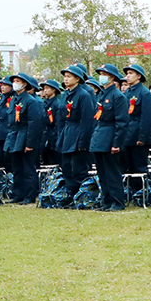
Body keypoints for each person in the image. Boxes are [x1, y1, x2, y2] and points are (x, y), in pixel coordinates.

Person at [90, 64, 130, 210]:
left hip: (110, 136)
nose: (101, 76)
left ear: (112, 77)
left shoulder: (117, 96)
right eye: (100, 73)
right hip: (100, 137)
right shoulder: (102, 94)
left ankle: (117, 202)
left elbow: (122, 122)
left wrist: (116, 143)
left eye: (104, 73)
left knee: (112, 172)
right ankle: (106, 201)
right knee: (102, 172)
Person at [56, 64, 96, 199]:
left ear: (77, 79)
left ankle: (82, 196)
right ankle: (69, 194)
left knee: (78, 168)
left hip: (78, 132)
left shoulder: (84, 95)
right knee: (66, 167)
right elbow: (61, 117)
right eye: (65, 77)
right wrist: (60, 135)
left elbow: (87, 120)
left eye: (69, 76)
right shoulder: (65, 95)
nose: (66, 79)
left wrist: (83, 141)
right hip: (67, 133)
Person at [5, 73, 45, 204]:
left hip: (25, 135)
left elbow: (34, 123)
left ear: (25, 84)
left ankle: (29, 195)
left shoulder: (30, 101)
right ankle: (18, 194)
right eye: (14, 81)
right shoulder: (14, 100)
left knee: (28, 168)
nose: (15, 83)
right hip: (14, 136)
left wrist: (30, 143)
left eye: (18, 81)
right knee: (17, 167)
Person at [121, 64, 151, 193]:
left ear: (139, 76)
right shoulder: (127, 92)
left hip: (137, 135)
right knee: (128, 167)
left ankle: (142, 193)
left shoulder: (144, 92)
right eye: (127, 73)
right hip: (127, 135)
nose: (127, 76)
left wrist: (142, 137)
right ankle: (130, 192)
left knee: (139, 167)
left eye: (131, 73)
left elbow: (147, 117)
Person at [40, 80, 64, 167]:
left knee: (53, 163)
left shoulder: (56, 104)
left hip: (52, 138)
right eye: (44, 88)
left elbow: (57, 123)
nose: (45, 90)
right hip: (44, 137)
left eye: (47, 88)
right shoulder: (44, 103)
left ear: (53, 90)